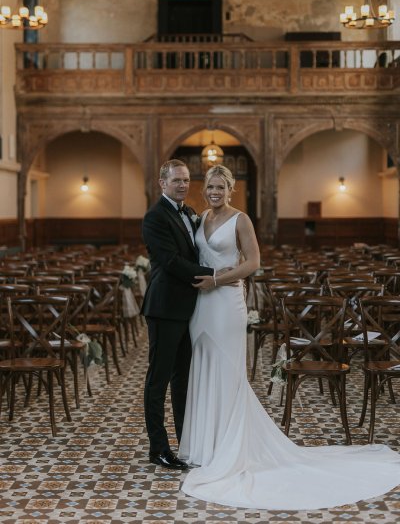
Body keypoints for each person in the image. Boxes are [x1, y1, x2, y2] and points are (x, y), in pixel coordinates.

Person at [178, 164, 400, 510]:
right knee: (202, 366)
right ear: (203, 189)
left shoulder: (241, 220)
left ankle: (230, 448)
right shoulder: (201, 217)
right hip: (201, 305)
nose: (215, 192)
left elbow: (253, 263)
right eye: (210, 187)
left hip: (225, 301)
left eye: (221, 187)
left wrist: (218, 281)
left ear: (231, 189)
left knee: (227, 370)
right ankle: (205, 447)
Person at [141, 159, 217, 470]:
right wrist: (214, 274)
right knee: (158, 380)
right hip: (164, 308)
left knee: (183, 379)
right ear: (162, 184)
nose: (183, 185)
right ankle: (158, 448)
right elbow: (171, 262)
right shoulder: (154, 217)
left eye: (186, 180)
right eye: (176, 181)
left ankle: (186, 443)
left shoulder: (188, 213)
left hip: (189, 308)